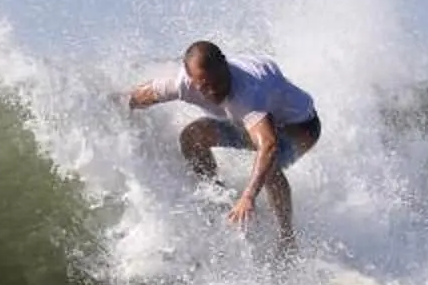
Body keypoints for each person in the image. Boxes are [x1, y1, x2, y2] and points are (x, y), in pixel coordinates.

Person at [122, 40, 323, 249]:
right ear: (191, 80)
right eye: (204, 87)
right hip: (248, 122)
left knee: (269, 167)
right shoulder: (183, 84)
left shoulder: (247, 92)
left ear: (225, 66)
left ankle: (287, 238)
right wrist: (108, 106)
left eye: (218, 82)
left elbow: (269, 145)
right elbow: (136, 97)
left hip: (300, 127)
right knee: (193, 136)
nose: (213, 91)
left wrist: (248, 196)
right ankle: (217, 198)